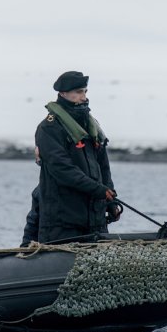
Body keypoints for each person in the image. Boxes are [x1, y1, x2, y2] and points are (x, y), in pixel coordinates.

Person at [35, 70, 119, 243]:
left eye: (85, 91)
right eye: (79, 92)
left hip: (95, 219)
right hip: (63, 222)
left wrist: (110, 200)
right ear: (63, 93)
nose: (84, 97)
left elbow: (104, 166)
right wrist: (99, 191)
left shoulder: (91, 124)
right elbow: (62, 169)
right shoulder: (49, 128)